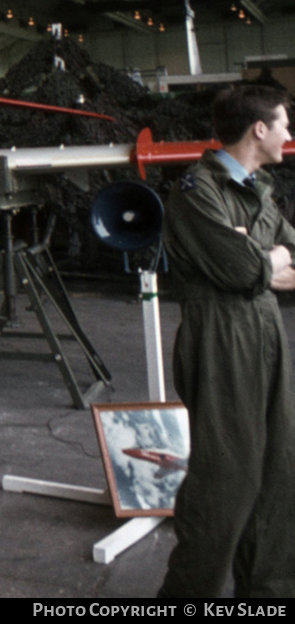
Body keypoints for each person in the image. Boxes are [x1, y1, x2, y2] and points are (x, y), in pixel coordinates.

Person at [160, 84, 295, 597]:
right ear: (259, 129)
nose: (289, 134)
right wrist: (269, 260)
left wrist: (263, 262)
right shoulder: (198, 190)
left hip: (265, 330)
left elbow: (264, 266)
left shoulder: (257, 193)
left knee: (280, 470)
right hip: (219, 335)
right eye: (284, 124)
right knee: (226, 483)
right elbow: (241, 269)